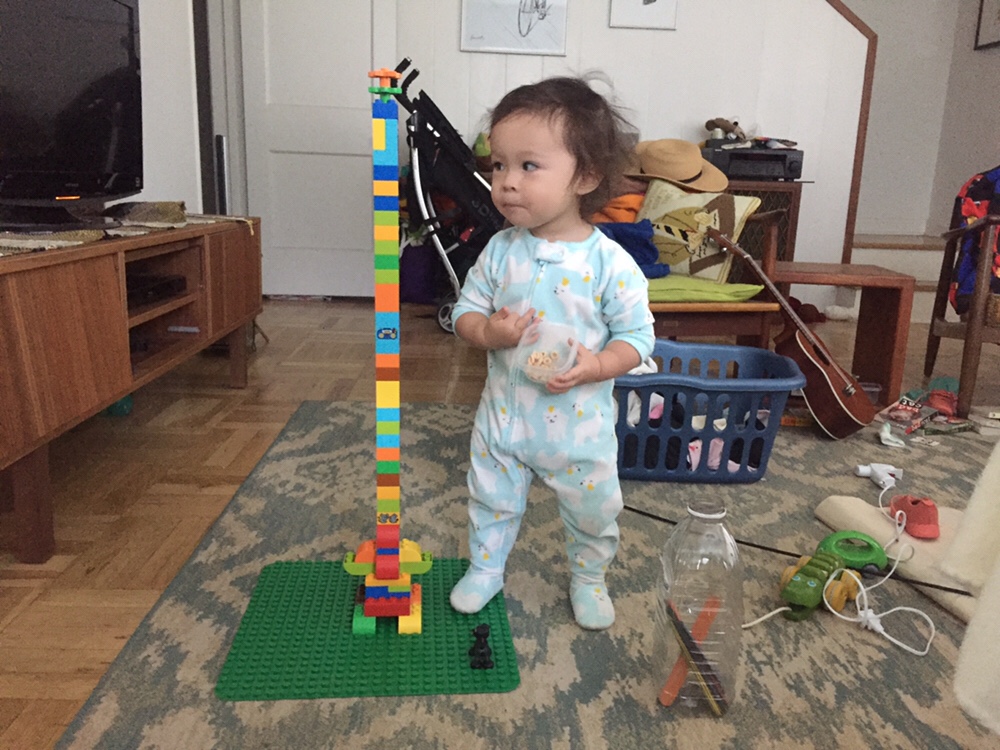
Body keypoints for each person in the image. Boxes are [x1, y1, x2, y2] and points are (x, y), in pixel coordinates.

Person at [449, 76, 655, 630]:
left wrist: (598, 365)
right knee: (489, 497)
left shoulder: (610, 264)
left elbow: (638, 338)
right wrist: (487, 333)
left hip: (578, 428)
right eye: (498, 165)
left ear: (585, 176)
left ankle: (589, 577)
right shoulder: (499, 251)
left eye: (528, 166)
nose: (507, 182)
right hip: (504, 418)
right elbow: (465, 313)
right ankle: (486, 568)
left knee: (594, 510)